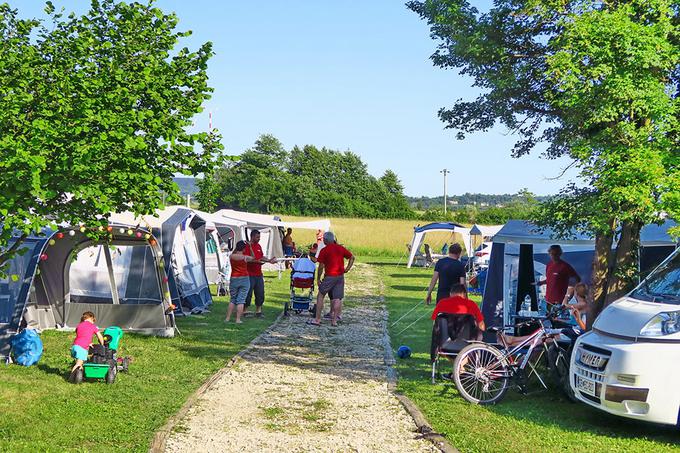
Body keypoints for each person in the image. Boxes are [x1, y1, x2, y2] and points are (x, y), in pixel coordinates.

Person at [308, 231, 354, 327]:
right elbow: (352, 257)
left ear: (325, 240)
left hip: (329, 276)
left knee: (321, 295)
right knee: (337, 298)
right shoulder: (341, 248)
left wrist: (318, 278)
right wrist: (347, 269)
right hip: (340, 277)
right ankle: (334, 321)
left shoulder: (324, 250)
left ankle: (317, 319)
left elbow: (321, 266)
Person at [225, 240, 262, 323]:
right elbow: (254, 257)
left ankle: (227, 318)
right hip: (244, 279)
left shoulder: (231, 256)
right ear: (244, 249)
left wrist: (237, 247)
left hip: (234, 278)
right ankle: (238, 319)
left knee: (233, 299)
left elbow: (234, 252)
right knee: (241, 300)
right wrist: (250, 247)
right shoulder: (245, 257)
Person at [535, 244, 581, 310]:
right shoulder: (549, 265)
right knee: (549, 319)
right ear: (549, 253)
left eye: (556, 254)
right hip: (548, 299)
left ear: (560, 254)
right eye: (552, 254)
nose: (554, 256)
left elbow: (577, 278)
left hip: (560, 301)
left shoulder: (565, 266)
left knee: (558, 319)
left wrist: (572, 292)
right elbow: (550, 280)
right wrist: (541, 282)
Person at [243, 230, 276, 317]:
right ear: (252, 236)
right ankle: (245, 310)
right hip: (249, 274)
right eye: (257, 237)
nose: (259, 239)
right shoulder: (247, 246)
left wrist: (269, 260)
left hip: (258, 274)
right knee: (248, 293)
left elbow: (261, 257)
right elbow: (248, 259)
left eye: (259, 237)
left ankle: (258, 311)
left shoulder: (258, 246)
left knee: (260, 292)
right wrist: (256, 261)